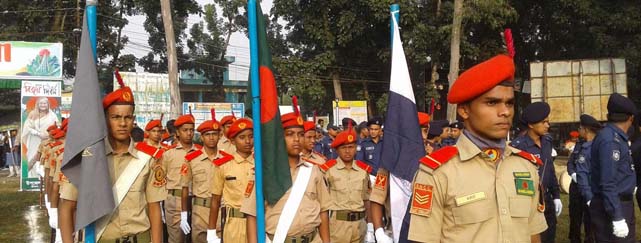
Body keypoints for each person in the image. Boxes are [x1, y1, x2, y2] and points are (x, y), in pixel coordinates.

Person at [407, 54, 547, 242]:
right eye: (492, 102)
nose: (505, 112)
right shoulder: (438, 174)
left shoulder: (526, 167)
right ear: (464, 111)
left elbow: (532, 234)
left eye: (509, 103)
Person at [58, 84, 167, 242]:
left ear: (133, 120)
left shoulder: (148, 158)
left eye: (127, 117)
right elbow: (66, 207)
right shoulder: (88, 158)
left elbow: (155, 208)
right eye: (115, 117)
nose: (122, 123)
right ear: (105, 120)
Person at [242, 111, 332, 243]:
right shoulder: (265, 173)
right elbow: (252, 215)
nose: (296, 139)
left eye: (301, 134)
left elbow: (323, 210)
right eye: (290, 134)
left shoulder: (313, 171)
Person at [510, 102, 562, 243]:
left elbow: (549, 168)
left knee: (550, 236)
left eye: (548, 122)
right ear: (531, 125)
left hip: (547, 199)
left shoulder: (547, 141)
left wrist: (556, 195)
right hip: (529, 202)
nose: (548, 125)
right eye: (544, 122)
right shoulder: (518, 146)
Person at [589, 93, 637, 242]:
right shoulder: (610, 140)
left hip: (620, 203)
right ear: (631, 118)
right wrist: (617, 216)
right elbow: (607, 182)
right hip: (613, 206)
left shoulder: (615, 137)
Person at [180, 112, 230, 243]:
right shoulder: (191, 159)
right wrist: (184, 214)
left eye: (214, 134)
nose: (211, 138)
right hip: (200, 211)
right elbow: (185, 187)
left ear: (219, 136)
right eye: (207, 135)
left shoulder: (227, 159)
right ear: (201, 137)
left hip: (222, 211)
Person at [319, 123, 372, 243]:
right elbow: (322, 205)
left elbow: (367, 199)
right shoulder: (328, 171)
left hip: (360, 226)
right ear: (337, 150)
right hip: (337, 226)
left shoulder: (363, 171)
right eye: (343, 148)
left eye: (351, 147)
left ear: (356, 148)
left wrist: (370, 227)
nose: (348, 151)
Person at [204, 117, 252, 243]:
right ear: (232, 141)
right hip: (234, 223)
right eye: (242, 137)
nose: (247, 141)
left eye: (251, 136)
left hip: (258, 222)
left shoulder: (261, 165)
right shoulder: (223, 166)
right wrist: (211, 231)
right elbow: (215, 200)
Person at [161, 113, 201, 243]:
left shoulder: (200, 153)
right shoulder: (168, 154)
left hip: (196, 201)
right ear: (177, 132)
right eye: (185, 130)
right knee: (176, 239)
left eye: (191, 130)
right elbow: (161, 181)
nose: (189, 133)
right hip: (175, 201)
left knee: (197, 238)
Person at [567, 114, 601, 243]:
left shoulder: (598, 145)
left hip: (590, 187)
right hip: (576, 187)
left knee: (590, 218)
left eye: (580, 128)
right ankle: (574, 239)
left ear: (586, 129)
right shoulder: (579, 144)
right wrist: (573, 174)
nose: (578, 130)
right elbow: (571, 162)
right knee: (574, 217)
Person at [22, 97, 60, 178]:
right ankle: (33, 178)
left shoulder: (52, 115)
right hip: (35, 140)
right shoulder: (33, 113)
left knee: (46, 158)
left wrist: (50, 134)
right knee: (33, 157)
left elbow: (57, 126)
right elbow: (27, 127)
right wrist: (38, 133)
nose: (43, 105)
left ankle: (45, 178)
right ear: (38, 104)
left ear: (48, 104)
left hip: (48, 140)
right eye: (41, 103)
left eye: (45, 103)